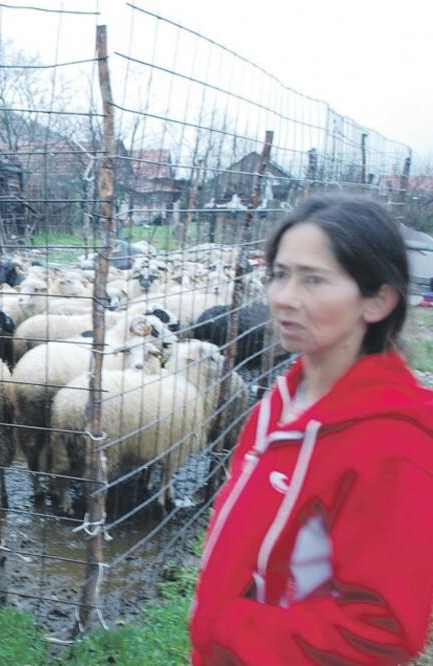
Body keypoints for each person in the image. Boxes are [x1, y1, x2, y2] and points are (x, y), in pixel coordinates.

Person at [189, 194, 433, 665]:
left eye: (313, 280)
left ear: (377, 300)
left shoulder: (392, 447)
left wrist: (228, 627)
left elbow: (379, 632)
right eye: (279, 274)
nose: (282, 297)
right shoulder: (278, 404)